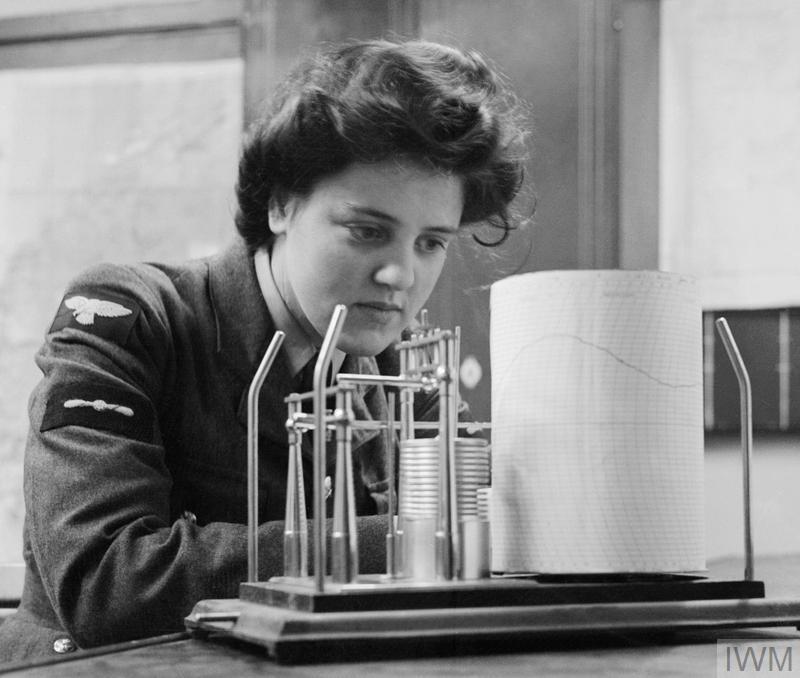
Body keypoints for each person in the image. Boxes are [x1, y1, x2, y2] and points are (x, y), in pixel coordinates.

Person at [0, 38, 526, 662]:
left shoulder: (403, 363)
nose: (400, 275)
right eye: (367, 231)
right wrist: (420, 539)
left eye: (430, 243)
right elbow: (109, 584)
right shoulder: (127, 316)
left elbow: (502, 517)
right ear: (280, 203)